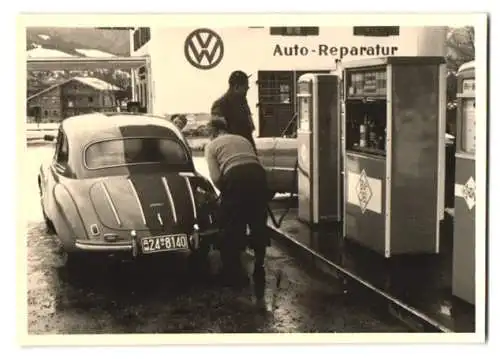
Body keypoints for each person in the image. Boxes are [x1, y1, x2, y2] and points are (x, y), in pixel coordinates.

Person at [204, 117, 269, 308]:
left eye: (209, 131)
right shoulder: (242, 139)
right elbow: (254, 160)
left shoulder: (212, 146)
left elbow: (216, 177)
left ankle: (234, 271)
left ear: (214, 131)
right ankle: (259, 261)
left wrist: (224, 193)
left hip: (235, 176)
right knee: (257, 218)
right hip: (258, 175)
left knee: (233, 223)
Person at [211, 70, 256, 150]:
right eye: (245, 87)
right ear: (236, 87)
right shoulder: (220, 105)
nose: (247, 89)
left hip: (247, 151)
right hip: (233, 154)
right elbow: (219, 138)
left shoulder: (243, 102)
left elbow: (251, 127)